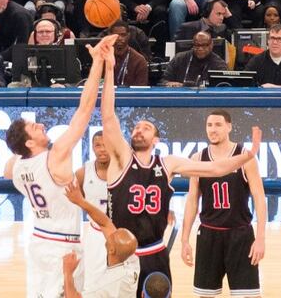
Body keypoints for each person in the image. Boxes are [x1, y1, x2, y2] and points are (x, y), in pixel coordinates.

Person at [100, 35, 263, 296]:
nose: (139, 130)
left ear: (156, 139)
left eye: (146, 128)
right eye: (137, 127)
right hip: (122, 250)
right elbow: (108, 117)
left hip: (156, 252)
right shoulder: (121, 158)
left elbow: (215, 170)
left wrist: (248, 155)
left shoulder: (167, 163)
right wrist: (108, 68)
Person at [3, 34, 118, 297]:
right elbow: (85, 109)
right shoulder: (54, 157)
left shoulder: (16, 167)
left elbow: (8, 166)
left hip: (38, 243)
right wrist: (98, 63)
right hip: (62, 246)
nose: (42, 125)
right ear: (30, 144)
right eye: (35, 127)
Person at [181, 109, 266, 298]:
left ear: (229, 127)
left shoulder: (245, 156)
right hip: (209, 235)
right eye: (209, 125)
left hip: (240, 235)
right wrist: (184, 239)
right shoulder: (198, 158)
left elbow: (259, 198)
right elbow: (192, 200)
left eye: (218, 125)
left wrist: (260, 238)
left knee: (249, 295)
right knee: (205, 295)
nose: (213, 129)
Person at [63, 181, 139, 298]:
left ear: (112, 250)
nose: (111, 233)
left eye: (113, 236)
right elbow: (106, 223)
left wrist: (68, 273)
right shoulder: (133, 262)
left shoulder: (104, 286)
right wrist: (81, 201)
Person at [75, 130, 110, 291]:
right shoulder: (83, 173)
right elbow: (78, 201)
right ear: (92, 148)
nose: (102, 149)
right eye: (98, 145)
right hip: (95, 234)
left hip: (120, 232)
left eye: (106, 145)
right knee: (91, 282)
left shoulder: (125, 170)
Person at [245, 23, 281, 88]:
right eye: (272, 38)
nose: (275, 42)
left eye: (279, 39)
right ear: (268, 40)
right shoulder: (257, 60)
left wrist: (276, 87)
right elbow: (245, 82)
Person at [161, 31, 227, 87]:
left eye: (204, 45)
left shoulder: (219, 64)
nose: (200, 49)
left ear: (211, 45)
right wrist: (169, 83)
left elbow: (222, 86)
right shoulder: (179, 58)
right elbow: (163, 81)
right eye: (197, 45)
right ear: (193, 45)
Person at [108, 19, 149, 86]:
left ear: (128, 35)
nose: (119, 38)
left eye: (123, 35)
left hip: (131, 96)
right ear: (109, 36)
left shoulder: (139, 61)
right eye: (116, 35)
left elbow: (141, 89)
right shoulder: (101, 58)